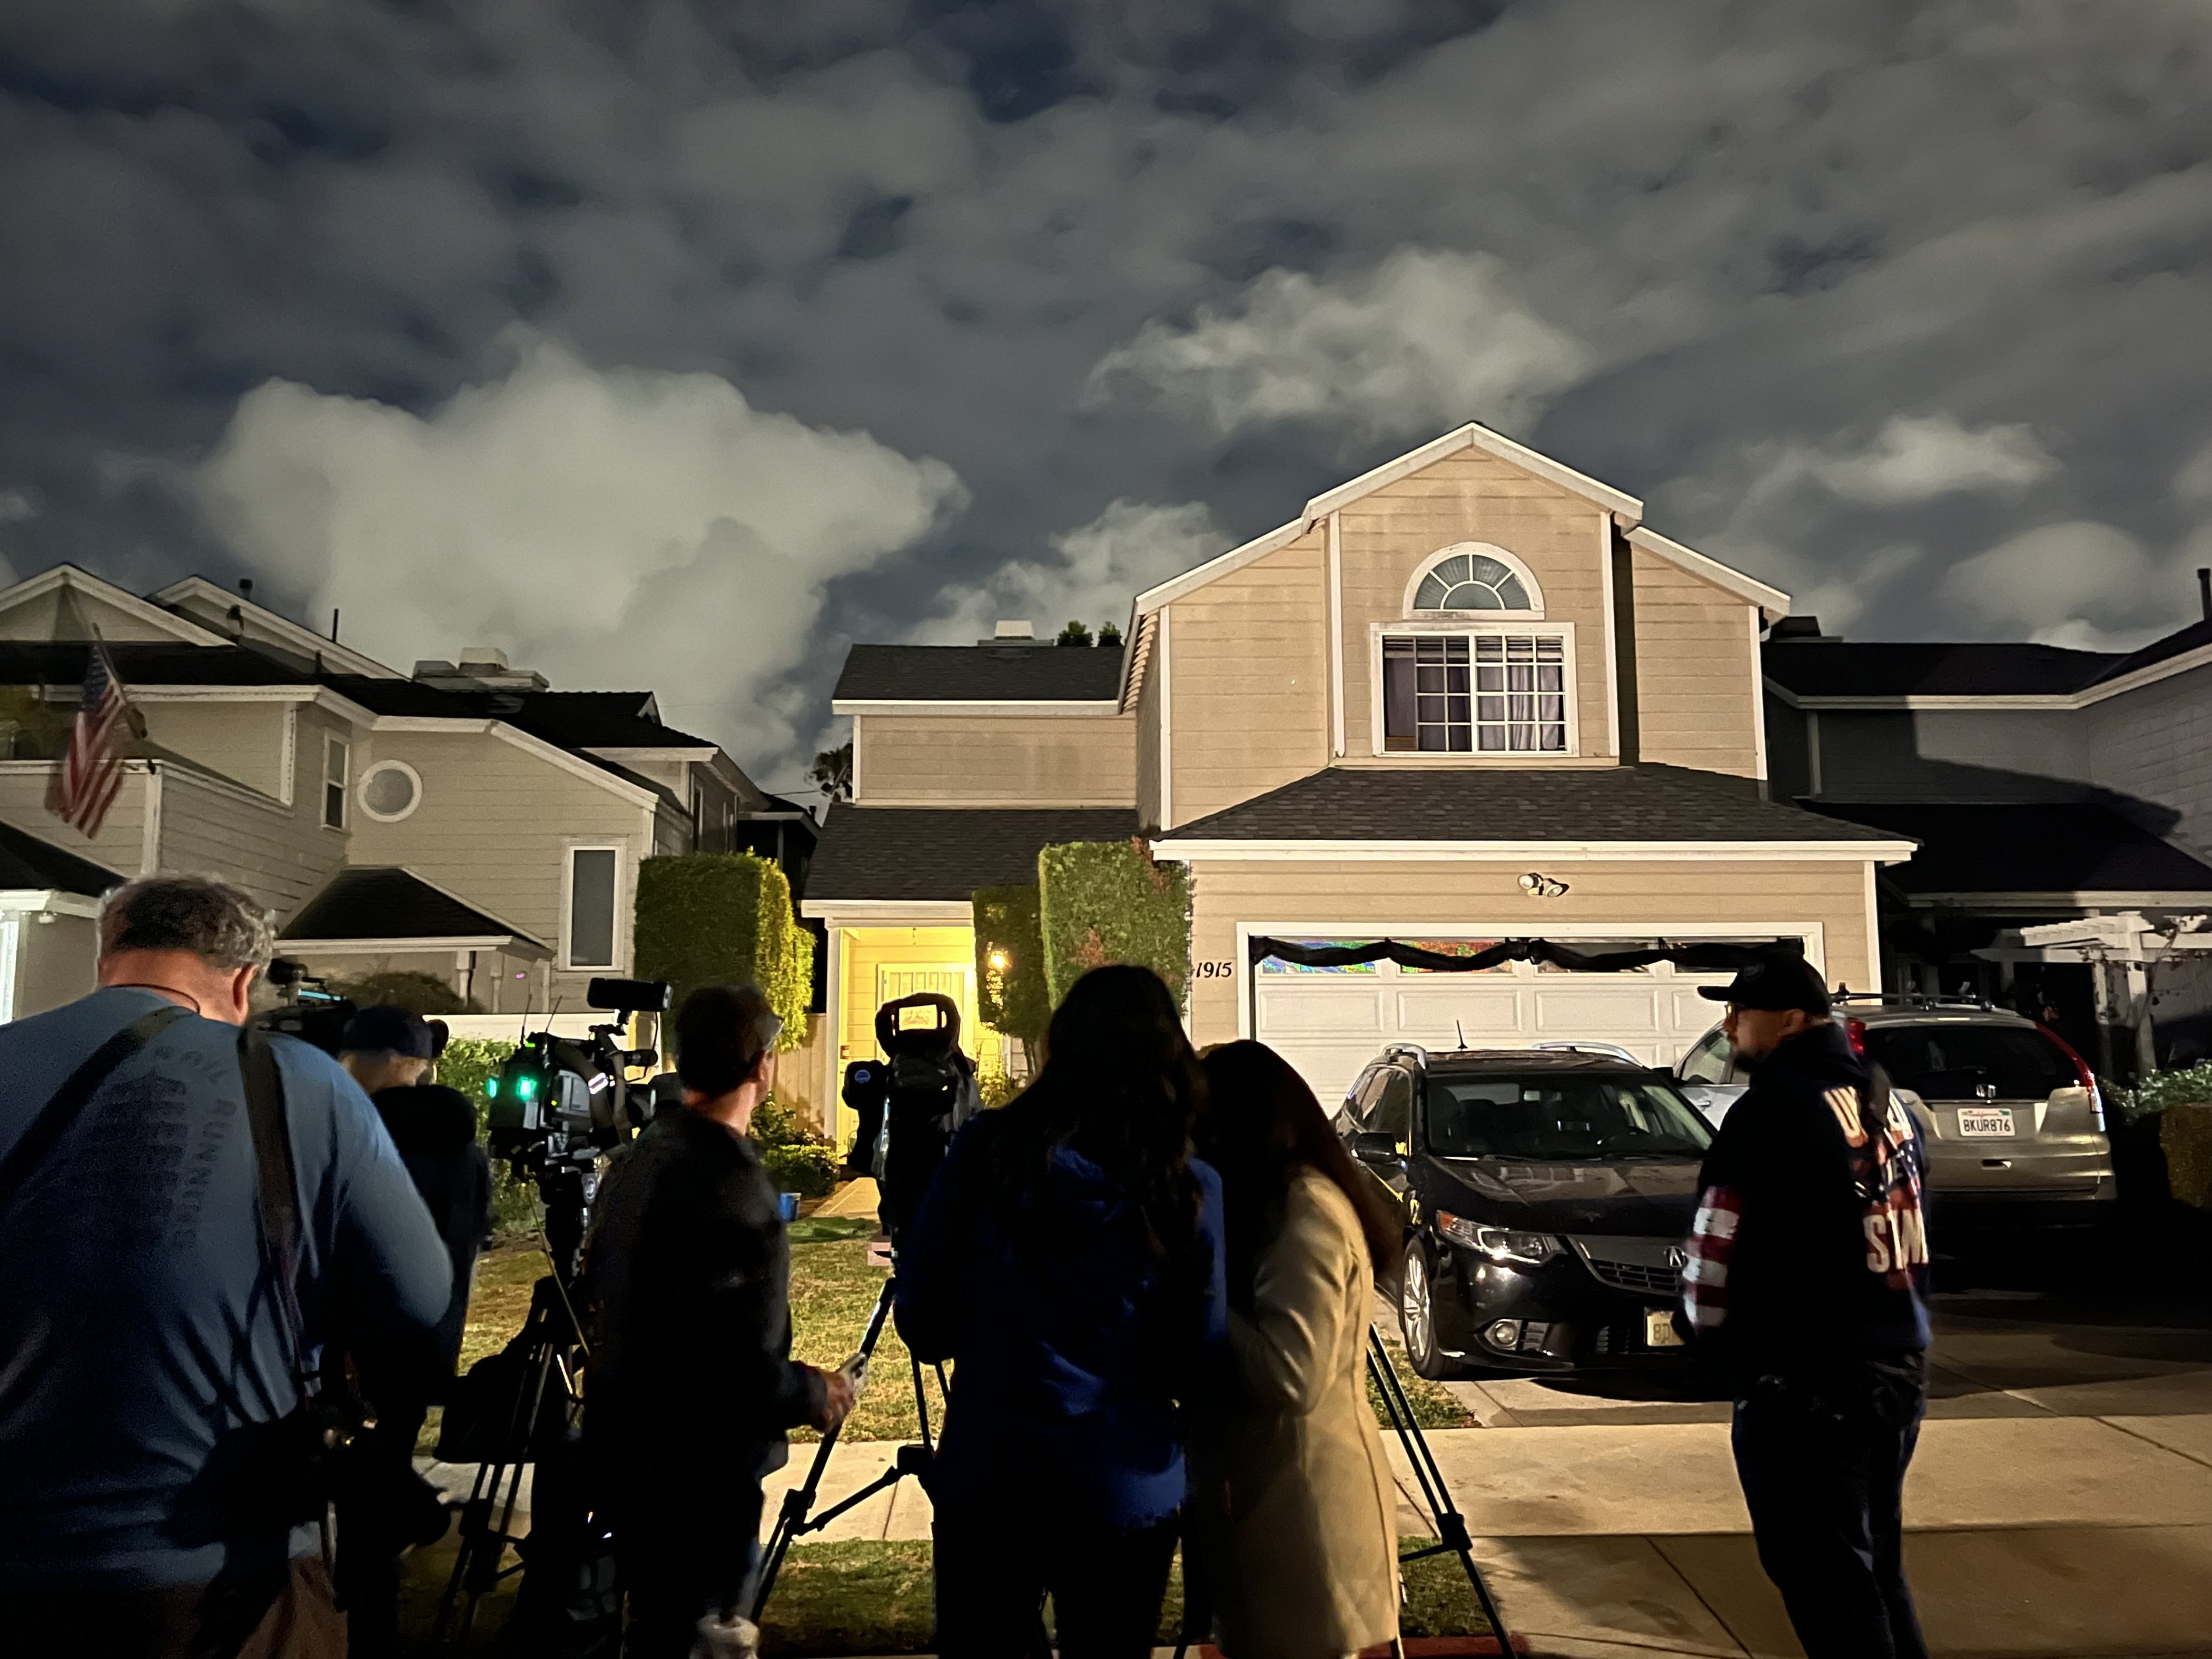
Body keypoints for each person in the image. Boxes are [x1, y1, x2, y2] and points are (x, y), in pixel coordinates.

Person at [0, 875, 452, 1659]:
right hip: (220, 1574)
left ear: (108, 953)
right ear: (243, 980)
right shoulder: (298, 1083)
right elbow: (419, 1298)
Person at [896, 964, 1228, 1659]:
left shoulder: (983, 1153)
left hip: (992, 1475)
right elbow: (1198, 1360)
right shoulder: (1189, 1188)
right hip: (1125, 1484)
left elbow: (925, 1322)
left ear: (1059, 1048)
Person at [583, 983, 857, 1658]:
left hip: (629, 1456)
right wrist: (812, 1391)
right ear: (762, 1066)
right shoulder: (727, 1184)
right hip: (701, 1485)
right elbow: (726, 1364)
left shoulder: (641, 1162)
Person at [1679, 954, 1932, 1659]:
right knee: (1874, 1565)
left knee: (1824, 1579)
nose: (1728, 1024)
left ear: (1790, 1018)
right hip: (1897, 1364)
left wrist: (1705, 1335)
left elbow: (1717, 1233)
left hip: (1807, 1378)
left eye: (1740, 1011)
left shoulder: (1773, 1108)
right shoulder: (1886, 1100)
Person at [1188, 1041, 1401, 1659]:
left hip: (1306, 1522)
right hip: (1274, 1510)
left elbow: (1292, 1376)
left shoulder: (1304, 1212)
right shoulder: (1275, 1207)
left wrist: (1196, 1287)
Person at [334, 1005, 494, 1659]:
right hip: (425, 1341)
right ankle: (378, 1601)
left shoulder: (363, 1137)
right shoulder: (463, 1150)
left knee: (350, 1494)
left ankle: (358, 1608)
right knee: (385, 1470)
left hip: (352, 1348)